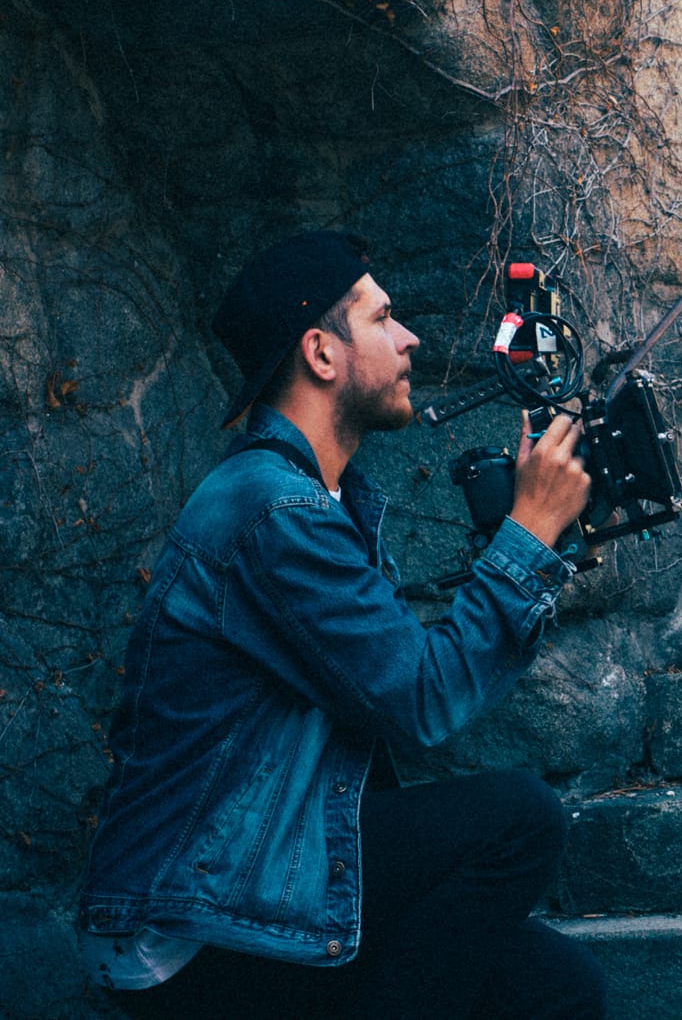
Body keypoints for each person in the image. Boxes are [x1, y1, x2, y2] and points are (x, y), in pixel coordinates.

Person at [77, 230, 608, 1019]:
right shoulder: (272, 508)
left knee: (557, 983)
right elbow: (421, 698)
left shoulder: (326, 500)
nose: (409, 337)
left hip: (263, 861)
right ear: (321, 353)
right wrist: (526, 535)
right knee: (521, 819)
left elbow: (394, 678)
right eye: (382, 317)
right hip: (185, 921)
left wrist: (535, 535)